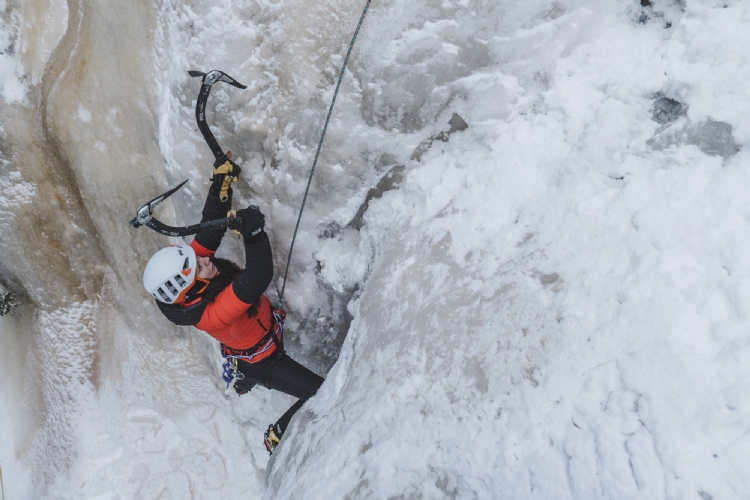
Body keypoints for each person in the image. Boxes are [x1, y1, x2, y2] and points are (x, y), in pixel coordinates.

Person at [142, 153, 324, 454]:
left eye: (198, 259)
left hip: (264, 335)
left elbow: (210, 231)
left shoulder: (193, 275)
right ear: (189, 291)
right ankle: (278, 433)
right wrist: (253, 235)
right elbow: (256, 279)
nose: (204, 260)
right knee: (321, 392)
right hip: (263, 364)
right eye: (199, 267)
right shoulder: (210, 316)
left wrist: (220, 183)